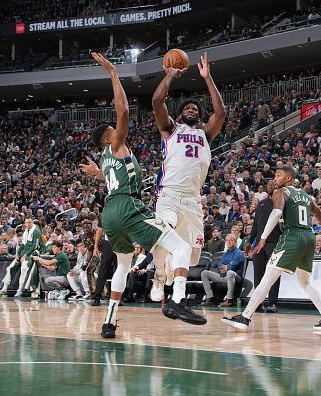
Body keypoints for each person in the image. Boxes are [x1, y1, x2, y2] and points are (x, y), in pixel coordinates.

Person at [79, 52, 206, 339]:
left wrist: (96, 173)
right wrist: (113, 73)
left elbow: (113, 179)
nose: (119, 129)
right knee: (182, 248)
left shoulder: (106, 158)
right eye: (114, 131)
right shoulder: (116, 145)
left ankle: (109, 322)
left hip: (110, 213)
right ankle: (177, 301)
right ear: (109, 137)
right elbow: (122, 111)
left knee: (123, 264)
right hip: (127, 206)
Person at [222, 166, 321, 332]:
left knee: (267, 278)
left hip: (292, 237)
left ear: (288, 179)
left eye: (279, 175)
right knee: (305, 282)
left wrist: (262, 238)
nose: (275, 178)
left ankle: (244, 317)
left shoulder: (281, 192)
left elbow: (275, 214)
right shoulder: (306, 196)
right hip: (309, 237)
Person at [149, 51, 226, 302]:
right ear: (180, 114)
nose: (191, 110)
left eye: (195, 108)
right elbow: (157, 101)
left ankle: (168, 272)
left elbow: (221, 112)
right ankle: (160, 274)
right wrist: (170, 75)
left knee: (191, 252)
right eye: (187, 108)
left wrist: (208, 78)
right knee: (164, 232)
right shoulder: (170, 128)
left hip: (193, 199)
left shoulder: (205, 133)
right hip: (169, 194)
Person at [247, 180, 281, 312]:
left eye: (274, 185)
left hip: (275, 242)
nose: (271, 186)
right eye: (269, 185)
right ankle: (258, 302)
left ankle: (272, 303)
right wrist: (250, 241)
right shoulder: (261, 203)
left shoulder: (281, 203)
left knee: (273, 274)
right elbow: (256, 224)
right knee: (258, 273)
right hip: (258, 244)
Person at [0, 217, 42, 298]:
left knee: (24, 268)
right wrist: (18, 254)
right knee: (10, 268)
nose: (28, 224)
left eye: (29, 222)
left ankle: (20, 290)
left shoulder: (36, 231)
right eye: (26, 222)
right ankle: (4, 290)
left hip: (32, 253)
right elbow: (22, 245)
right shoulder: (25, 231)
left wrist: (25, 256)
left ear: (32, 223)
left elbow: (34, 246)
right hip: (23, 252)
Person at [200, 234, 246, 307]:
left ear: (235, 242)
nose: (229, 242)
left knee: (230, 273)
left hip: (236, 277)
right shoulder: (225, 253)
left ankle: (229, 300)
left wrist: (227, 267)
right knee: (204, 273)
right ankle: (210, 298)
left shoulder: (239, 253)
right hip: (224, 275)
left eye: (231, 240)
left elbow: (232, 267)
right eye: (227, 240)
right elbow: (219, 266)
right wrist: (223, 269)